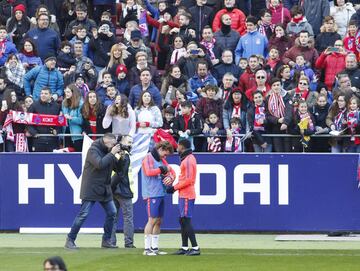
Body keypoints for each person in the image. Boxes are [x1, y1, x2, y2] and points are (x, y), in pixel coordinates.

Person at [65, 133, 120, 250]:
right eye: (112, 144)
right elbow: (100, 164)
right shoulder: (93, 150)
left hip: (104, 188)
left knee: (112, 212)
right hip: (91, 188)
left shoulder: (108, 151)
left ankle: (106, 240)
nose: (114, 146)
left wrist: (122, 157)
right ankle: (70, 239)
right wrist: (112, 153)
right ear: (106, 142)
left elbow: (117, 168)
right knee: (83, 215)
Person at [167, 139, 200, 256]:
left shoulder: (189, 160)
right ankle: (185, 247)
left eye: (178, 146)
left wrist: (174, 188)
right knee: (182, 220)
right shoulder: (187, 159)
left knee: (186, 220)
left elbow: (189, 179)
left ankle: (195, 247)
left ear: (181, 146)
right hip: (183, 194)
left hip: (187, 194)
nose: (177, 148)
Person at [141, 141, 175, 256]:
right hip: (152, 193)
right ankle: (146, 249)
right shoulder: (148, 158)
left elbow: (171, 171)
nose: (165, 157)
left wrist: (171, 177)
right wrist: (162, 170)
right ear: (160, 148)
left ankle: (154, 248)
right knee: (152, 220)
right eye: (165, 154)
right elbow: (148, 172)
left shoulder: (161, 160)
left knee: (159, 221)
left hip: (160, 193)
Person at [110, 134, 136, 248]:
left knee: (112, 218)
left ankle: (110, 242)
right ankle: (128, 243)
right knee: (128, 218)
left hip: (113, 191)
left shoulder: (112, 154)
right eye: (129, 142)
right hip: (124, 191)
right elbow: (121, 174)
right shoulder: (125, 156)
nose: (130, 144)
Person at [26, 87, 61, 152]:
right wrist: (33, 132)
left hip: (52, 140)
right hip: (38, 140)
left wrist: (57, 130)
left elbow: (60, 121)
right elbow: (27, 121)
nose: (43, 95)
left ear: (50, 95)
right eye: (41, 93)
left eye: (45, 93)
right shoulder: (34, 106)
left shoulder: (57, 106)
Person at [62, 84, 84, 152]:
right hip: (66, 132)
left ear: (73, 92)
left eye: (68, 92)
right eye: (66, 92)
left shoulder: (80, 103)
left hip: (76, 133)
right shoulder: (64, 102)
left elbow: (81, 120)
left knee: (77, 154)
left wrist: (71, 118)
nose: (66, 94)